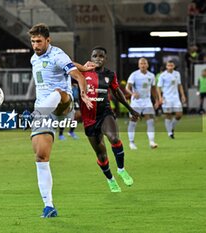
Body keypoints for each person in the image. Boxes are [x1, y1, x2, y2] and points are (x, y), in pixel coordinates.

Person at [25, 23, 92, 218]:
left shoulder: (57, 54)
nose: (35, 45)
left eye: (38, 41)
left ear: (48, 40)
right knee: (41, 156)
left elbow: (76, 75)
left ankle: (37, 114)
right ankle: (49, 206)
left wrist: (84, 94)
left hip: (63, 104)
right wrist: (83, 65)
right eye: (33, 41)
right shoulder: (33, 59)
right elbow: (72, 64)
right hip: (43, 107)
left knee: (58, 92)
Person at [75, 47, 139, 192]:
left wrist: (130, 109)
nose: (98, 58)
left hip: (105, 113)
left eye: (101, 56)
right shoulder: (81, 73)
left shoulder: (110, 75)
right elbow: (64, 66)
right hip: (89, 119)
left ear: (105, 58)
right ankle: (110, 179)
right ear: (90, 58)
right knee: (101, 155)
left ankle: (121, 169)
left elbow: (117, 93)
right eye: (95, 56)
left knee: (114, 138)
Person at [126, 58, 159, 150]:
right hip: (136, 102)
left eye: (144, 63)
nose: (143, 65)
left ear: (147, 65)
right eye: (141, 63)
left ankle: (152, 141)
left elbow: (153, 89)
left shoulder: (151, 75)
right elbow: (127, 87)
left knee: (150, 121)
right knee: (133, 121)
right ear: (138, 65)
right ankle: (131, 142)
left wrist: (156, 100)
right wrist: (132, 93)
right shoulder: (134, 75)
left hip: (147, 101)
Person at [157, 61, 186, 139]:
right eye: (168, 65)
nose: (170, 66)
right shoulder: (162, 75)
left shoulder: (177, 74)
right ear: (166, 66)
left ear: (174, 66)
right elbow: (159, 87)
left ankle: (171, 127)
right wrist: (160, 97)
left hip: (176, 98)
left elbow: (180, 85)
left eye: (171, 65)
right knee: (168, 115)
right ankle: (170, 133)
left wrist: (182, 95)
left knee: (179, 115)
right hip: (166, 98)